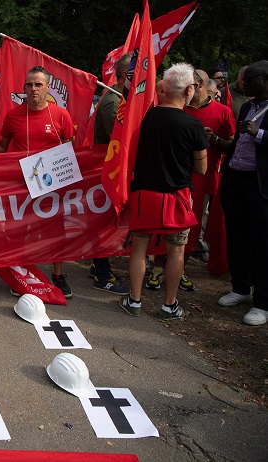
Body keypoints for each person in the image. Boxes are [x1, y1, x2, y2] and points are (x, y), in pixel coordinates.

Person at [120, 62, 208, 319]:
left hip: (143, 193)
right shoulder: (193, 125)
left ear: (165, 88)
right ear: (188, 90)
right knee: (176, 251)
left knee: (139, 248)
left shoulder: (145, 116)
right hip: (177, 196)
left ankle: (134, 301)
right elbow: (201, 168)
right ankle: (169, 304)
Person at [0, 65, 75, 298]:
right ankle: (23, 274)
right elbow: (2, 145)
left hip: (50, 183)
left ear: (47, 87)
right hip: (20, 182)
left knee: (54, 230)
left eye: (38, 85)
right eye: (29, 85)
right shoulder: (13, 115)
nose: (33, 89)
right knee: (21, 229)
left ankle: (58, 275)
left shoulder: (61, 115)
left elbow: (68, 146)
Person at [218, 60, 268, 325]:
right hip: (235, 179)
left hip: (259, 185)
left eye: (249, 80)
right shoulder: (248, 106)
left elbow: (255, 137)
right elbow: (238, 141)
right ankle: (240, 287)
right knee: (237, 236)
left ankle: (263, 302)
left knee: (262, 243)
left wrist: (259, 133)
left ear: (266, 79)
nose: (243, 84)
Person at [181, 69, 235, 268]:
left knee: (192, 225)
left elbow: (233, 144)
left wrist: (215, 140)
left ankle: (181, 268)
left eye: (188, 84)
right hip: (174, 175)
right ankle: (160, 265)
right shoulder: (179, 107)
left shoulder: (223, 112)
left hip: (203, 178)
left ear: (199, 85)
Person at [89, 54, 132, 295]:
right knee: (104, 224)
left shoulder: (120, 99)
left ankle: (99, 268)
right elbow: (119, 140)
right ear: (126, 75)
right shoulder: (113, 104)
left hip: (111, 172)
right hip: (108, 173)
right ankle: (102, 274)